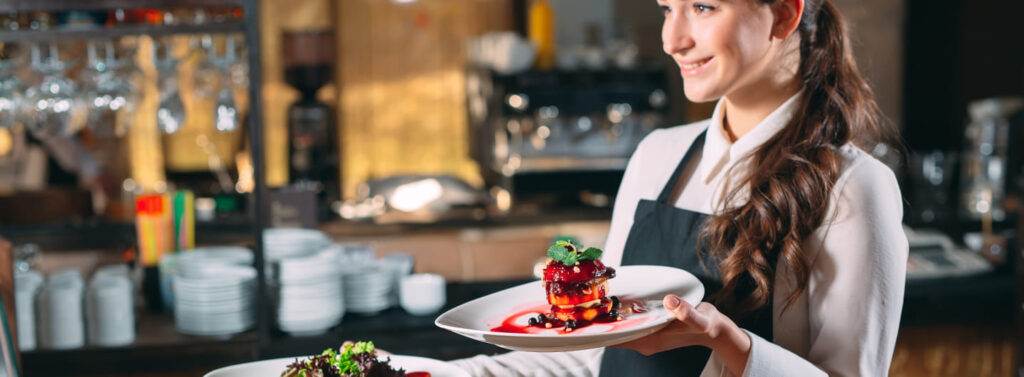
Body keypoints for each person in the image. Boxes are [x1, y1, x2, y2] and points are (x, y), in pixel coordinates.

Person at [450, 0, 908, 375]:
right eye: (668, 9)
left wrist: (730, 344)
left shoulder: (855, 187)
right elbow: (592, 355)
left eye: (704, 8)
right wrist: (419, 370)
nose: (672, 40)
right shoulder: (657, 155)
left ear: (785, 14)